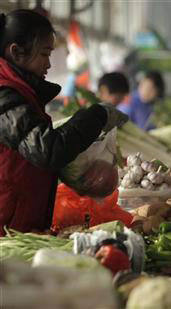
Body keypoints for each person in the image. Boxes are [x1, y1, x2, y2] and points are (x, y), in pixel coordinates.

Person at [0, 9, 128, 235]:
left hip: (18, 219)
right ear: (16, 52)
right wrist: (96, 116)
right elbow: (45, 150)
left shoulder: (20, 92)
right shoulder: (5, 95)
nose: (49, 65)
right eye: (44, 54)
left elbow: (26, 154)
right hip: (7, 225)